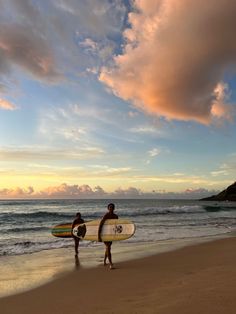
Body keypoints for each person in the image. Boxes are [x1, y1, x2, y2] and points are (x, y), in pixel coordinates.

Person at [98, 203, 118, 269]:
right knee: (108, 247)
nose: (111, 208)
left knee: (108, 248)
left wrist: (116, 235)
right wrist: (99, 235)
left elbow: (116, 226)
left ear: (114, 208)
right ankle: (111, 264)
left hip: (111, 233)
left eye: (112, 207)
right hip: (105, 233)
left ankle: (104, 261)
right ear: (108, 208)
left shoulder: (116, 216)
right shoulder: (106, 215)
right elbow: (101, 225)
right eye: (110, 207)